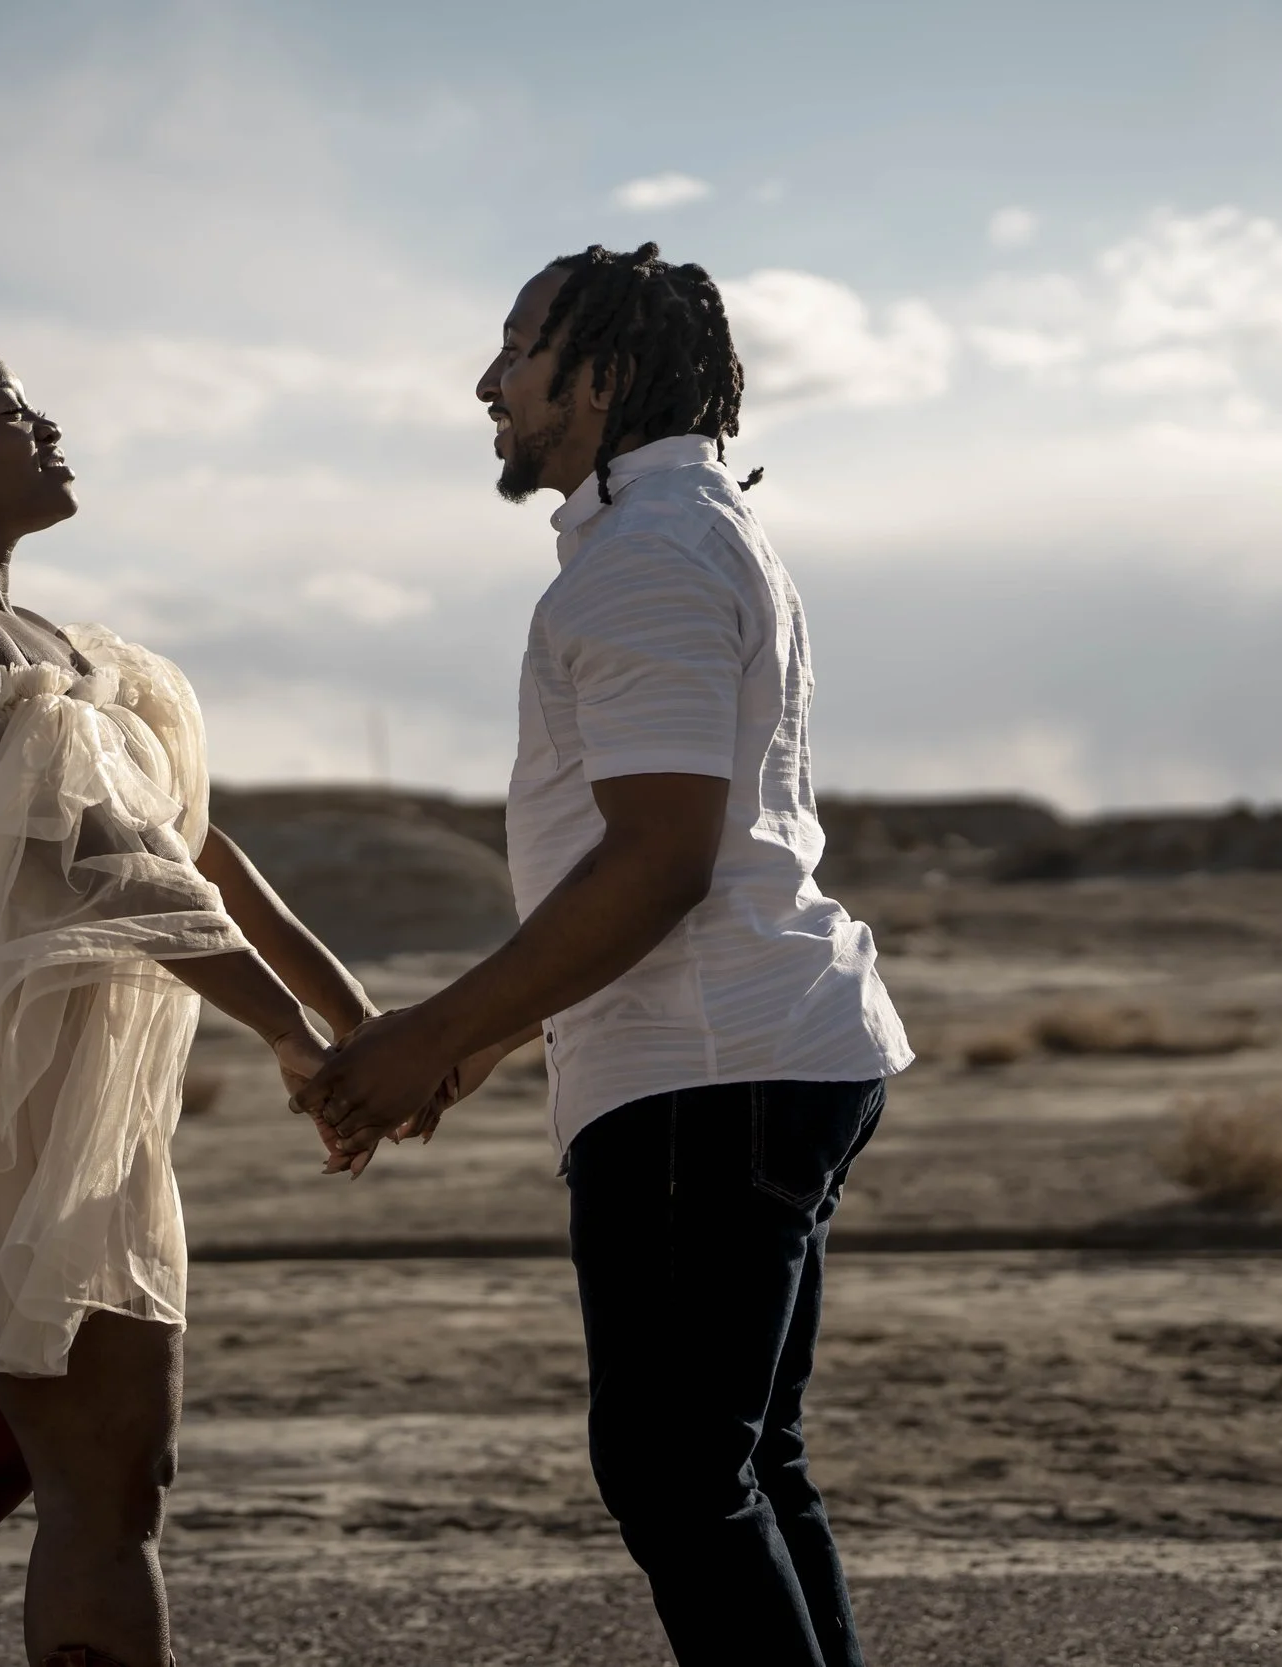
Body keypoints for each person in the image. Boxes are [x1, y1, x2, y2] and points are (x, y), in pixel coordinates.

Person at [296, 243, 914, 1666]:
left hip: (707, 1071)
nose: (488, 383)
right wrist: (483, 1046)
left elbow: (660, 863)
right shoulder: (681, 536)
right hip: (746, 1055)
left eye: (517, 350)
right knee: (742, 1464)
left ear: (603, 376)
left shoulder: (645, 561)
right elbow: (664, 860)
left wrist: (434, 1033)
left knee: (677, 1475)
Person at [0, 319, 373, 1667]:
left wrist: (346, 1012)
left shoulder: (52, 643)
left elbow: (192, 845)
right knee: (111, 1488)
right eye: (11, 411)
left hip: (47, 1110)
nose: (47, 428)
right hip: (10, 1117)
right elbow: (113, 863)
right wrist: (288, 1037)